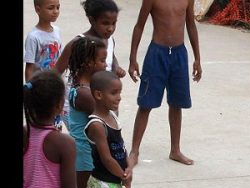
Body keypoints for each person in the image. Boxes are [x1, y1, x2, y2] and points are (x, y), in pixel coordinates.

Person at [128, 0, 202, 166]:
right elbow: (139, 25)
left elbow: (191, 25)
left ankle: (175, 150)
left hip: (179, 54)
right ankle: (134, 150)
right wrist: (133, 58)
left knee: (177, 103)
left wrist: (197, 58)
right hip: (157, 53)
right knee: (146, 103)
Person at [67, 36, 108, 188]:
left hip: (85, 153)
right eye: (101, 60)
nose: (105, 65)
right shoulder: (84, 94)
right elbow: (103, 112)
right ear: (87, 64)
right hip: (83, 155)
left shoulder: (84, 89)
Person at [55, 0, 125, 128]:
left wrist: (116, 67)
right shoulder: (79, 43)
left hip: (101, 96)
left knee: (103, 130)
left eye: (114, 23)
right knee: (89, 136)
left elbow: (111, 57)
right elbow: (56, 71)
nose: (110, 28)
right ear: (92, 20)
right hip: (79, 101)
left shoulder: (109, 40)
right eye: (105, 23)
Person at [24, 0, 63, 130]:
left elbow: (59, 58)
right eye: (51, 8)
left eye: (58, 7)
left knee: (57, 124)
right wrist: (31, 91)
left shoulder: (57, 31)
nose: (55, 11)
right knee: (42, 124)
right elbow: (29, 67)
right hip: (41, 88)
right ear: (38, 9)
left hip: (55, 85)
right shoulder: (33, 37)